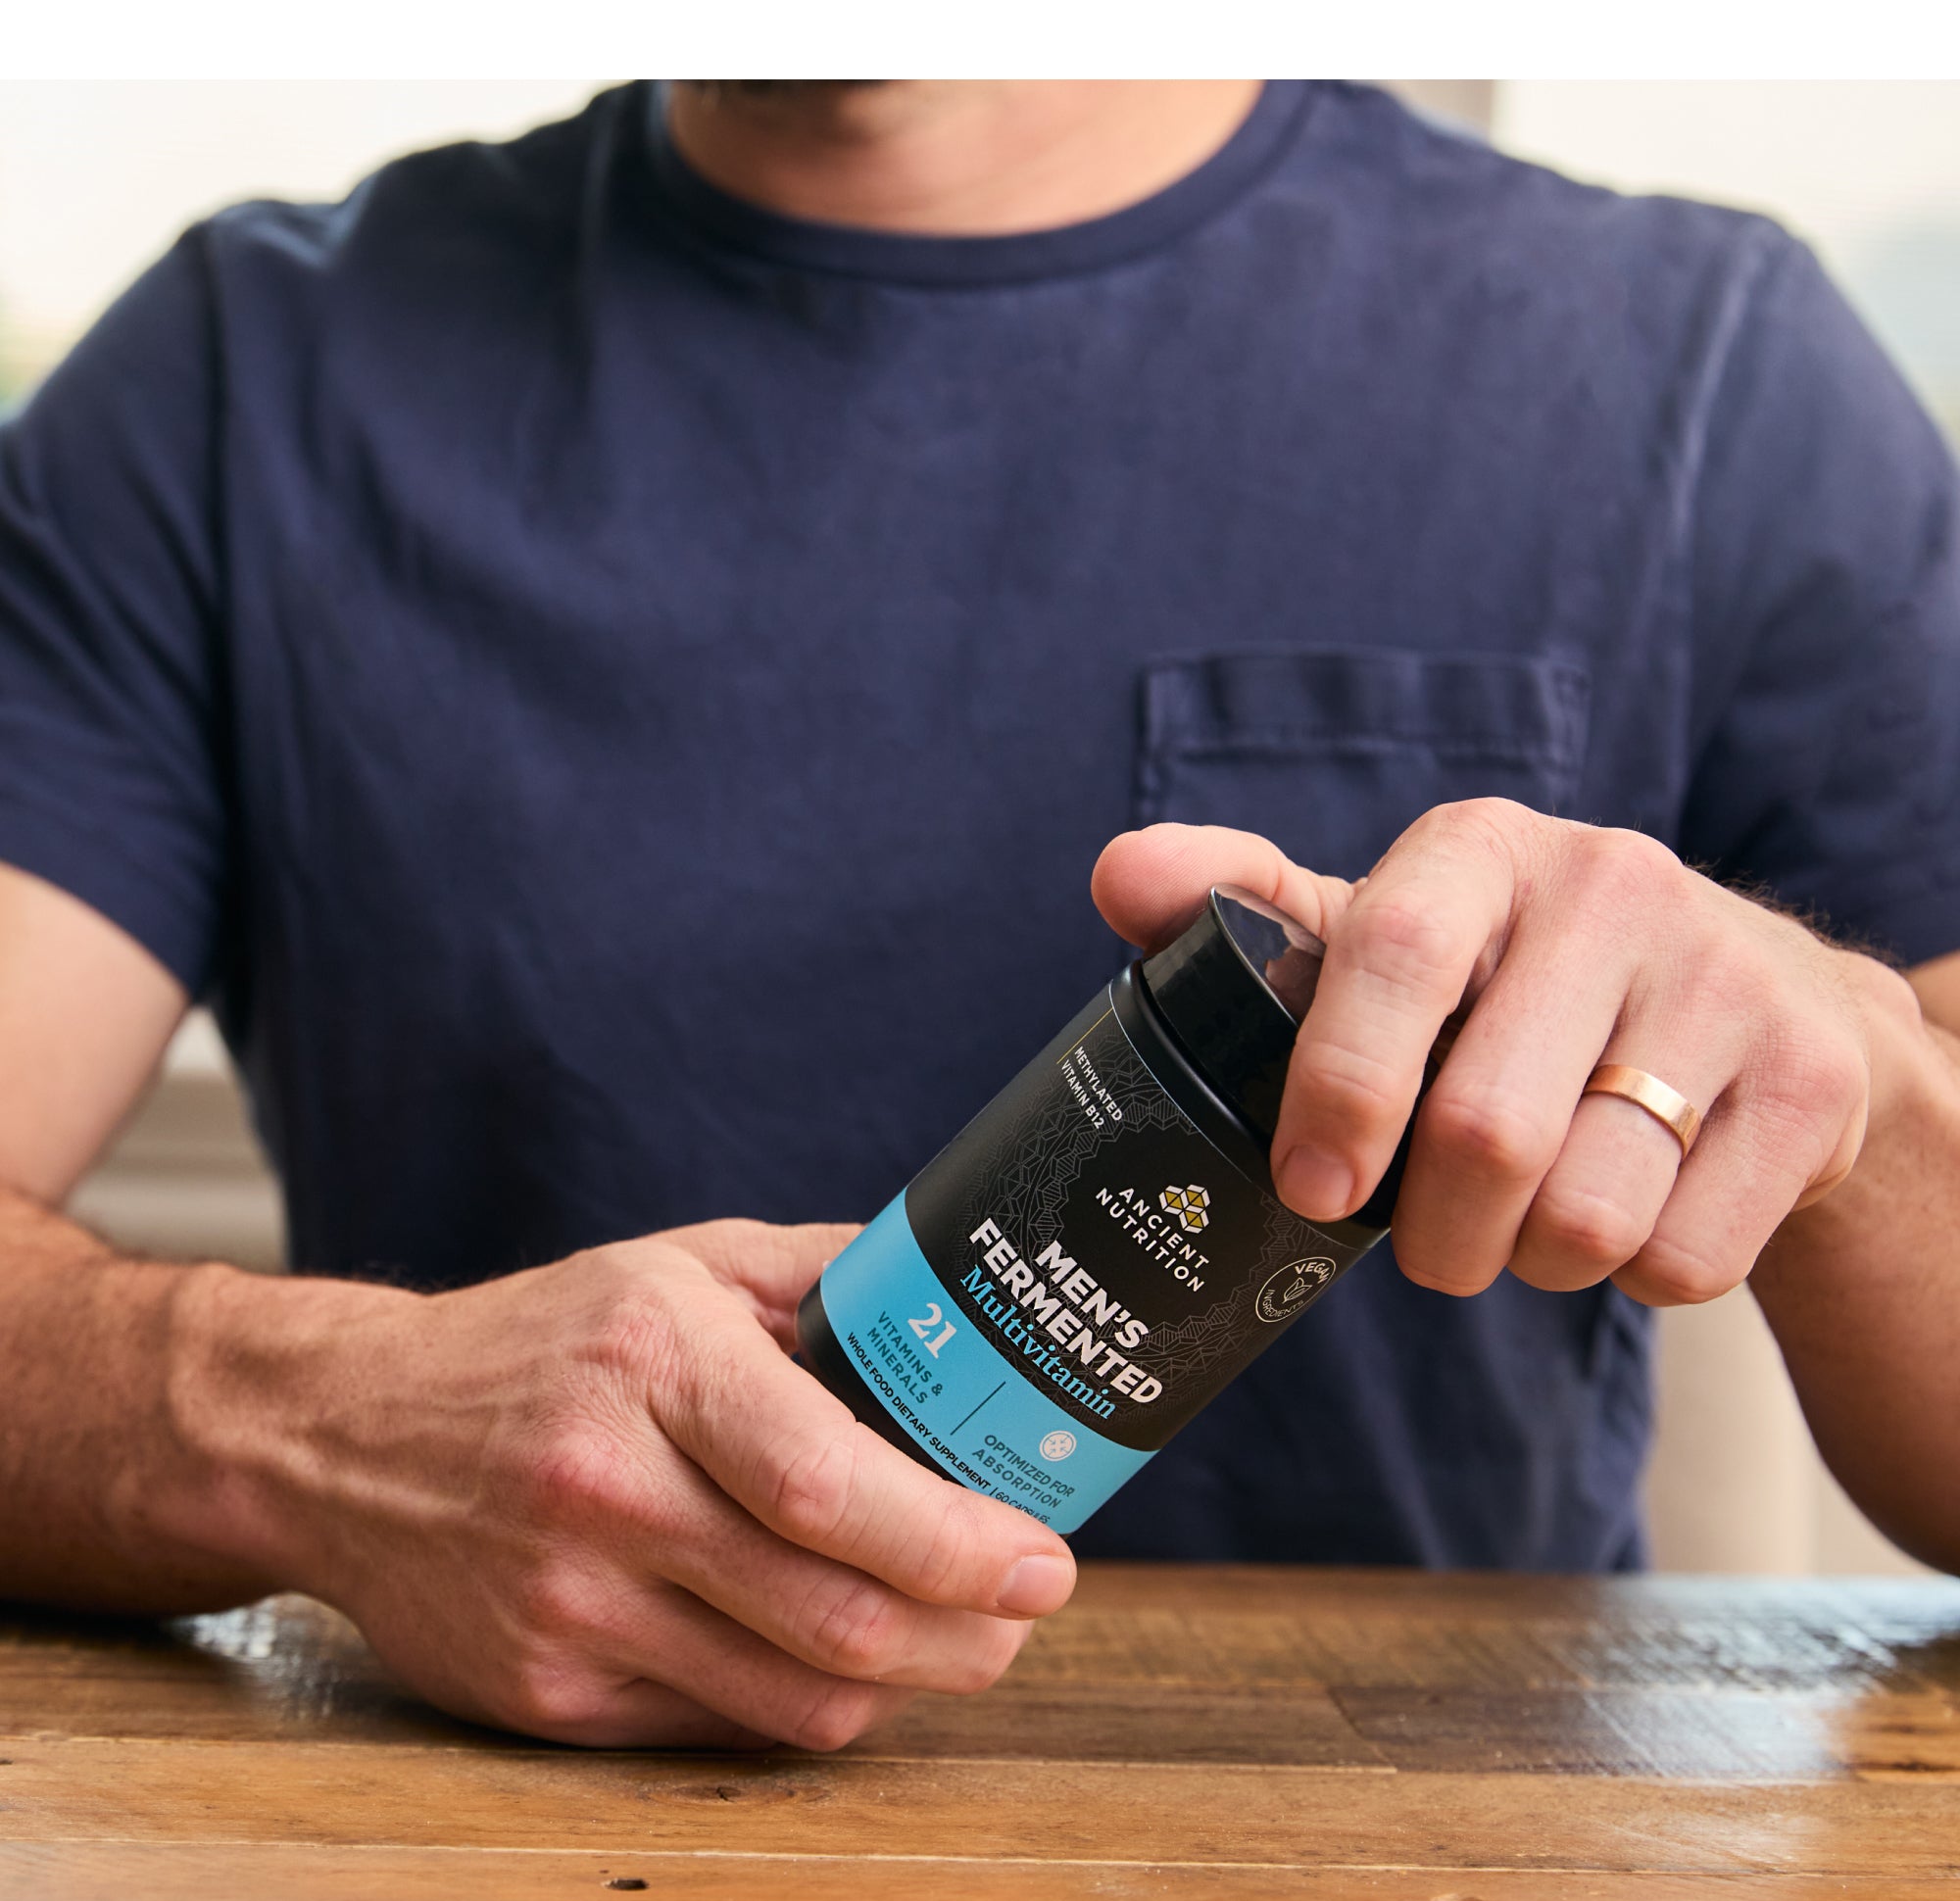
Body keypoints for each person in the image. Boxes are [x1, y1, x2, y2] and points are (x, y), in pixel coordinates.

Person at [0, 79, 1956, 1751]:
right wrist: (296, 1427)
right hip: (480, 1875)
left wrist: (1853, 1091)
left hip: (1424, 1885)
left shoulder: (1706, 371)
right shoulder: (232, 383)